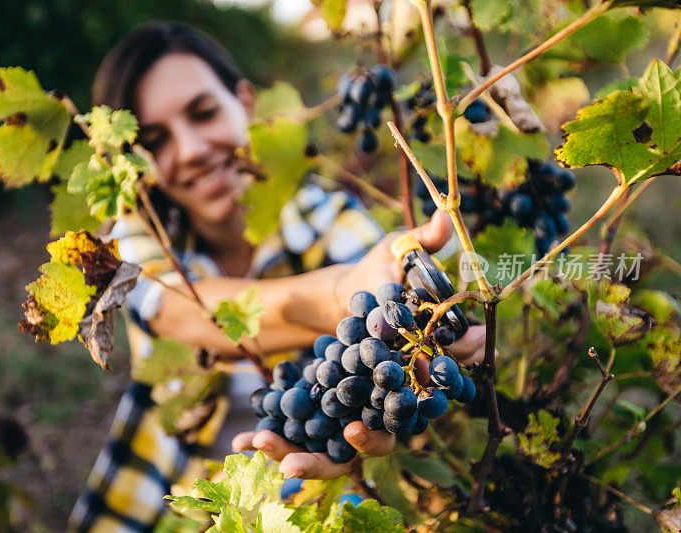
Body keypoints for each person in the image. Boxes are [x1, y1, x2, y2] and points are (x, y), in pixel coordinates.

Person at [69, 21, 487, 531]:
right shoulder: (132, 240)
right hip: (157, 504)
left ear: (244, 103)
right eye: (156, 140)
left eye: (203, 113)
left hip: (302, 503)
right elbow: (179, 308)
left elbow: (384, 294)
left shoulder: (326, 216)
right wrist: (337, 294)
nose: (193, 149)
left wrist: (432, 329)